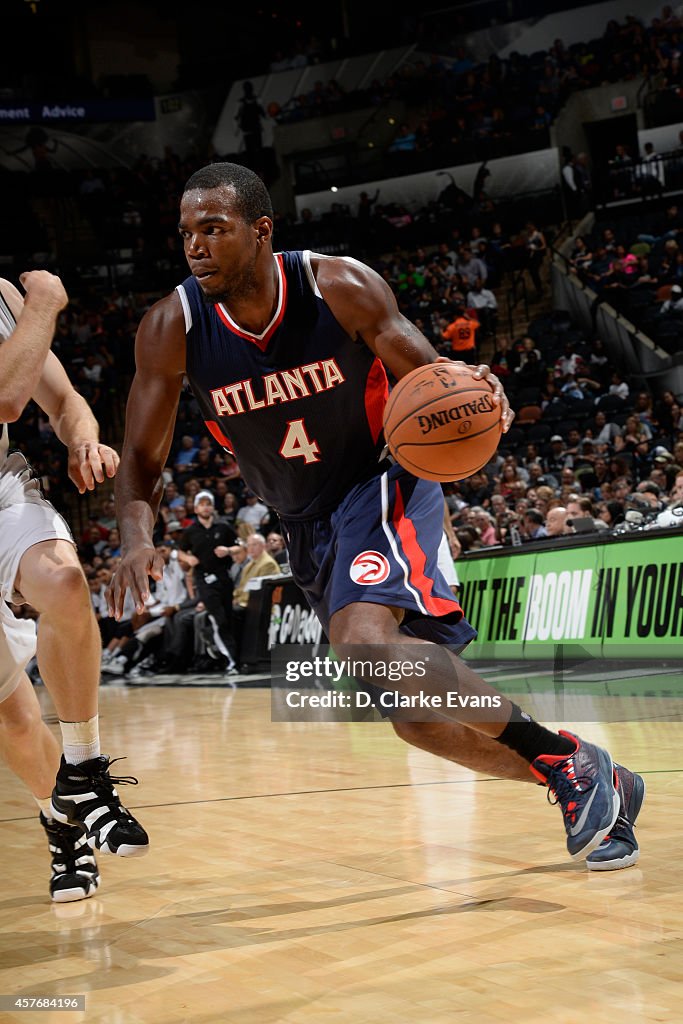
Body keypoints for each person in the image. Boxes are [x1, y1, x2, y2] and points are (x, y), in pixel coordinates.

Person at [110, 163, 643, 871]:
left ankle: (563, 759)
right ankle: (583, 775)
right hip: (304, 520)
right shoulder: (169, 328)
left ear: (260, 230)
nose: (196, 247)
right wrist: (134, 539)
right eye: (186, 234)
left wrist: (475, 392)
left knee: (366, 642)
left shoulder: (338, 286)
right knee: (416, 720)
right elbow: (141, 459)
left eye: (214, 228)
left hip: (379, 481)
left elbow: (431, 382)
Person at [0, 273, 148, 903]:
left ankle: (84, 768)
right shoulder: (30, 301)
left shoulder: (3, 296)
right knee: (12, 719)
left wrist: (83, 436)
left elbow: (59, 401)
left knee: (61, 578)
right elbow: (5, 398)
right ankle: (61, 824)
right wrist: (47, 305)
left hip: (1, 491)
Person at [177, 490, 239, 673]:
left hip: (223, 577)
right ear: (196, 508)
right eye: (202, 504)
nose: (206, 507)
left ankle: (219, 648)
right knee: (218, 617)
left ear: (213, 507)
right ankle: (232, 660)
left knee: (228, 616)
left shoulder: (224, 526)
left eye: (209, 503)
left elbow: (239, 545)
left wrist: (228, 550)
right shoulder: (190, 531)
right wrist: (188, 560)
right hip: (203, 579)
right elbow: (179, 551)